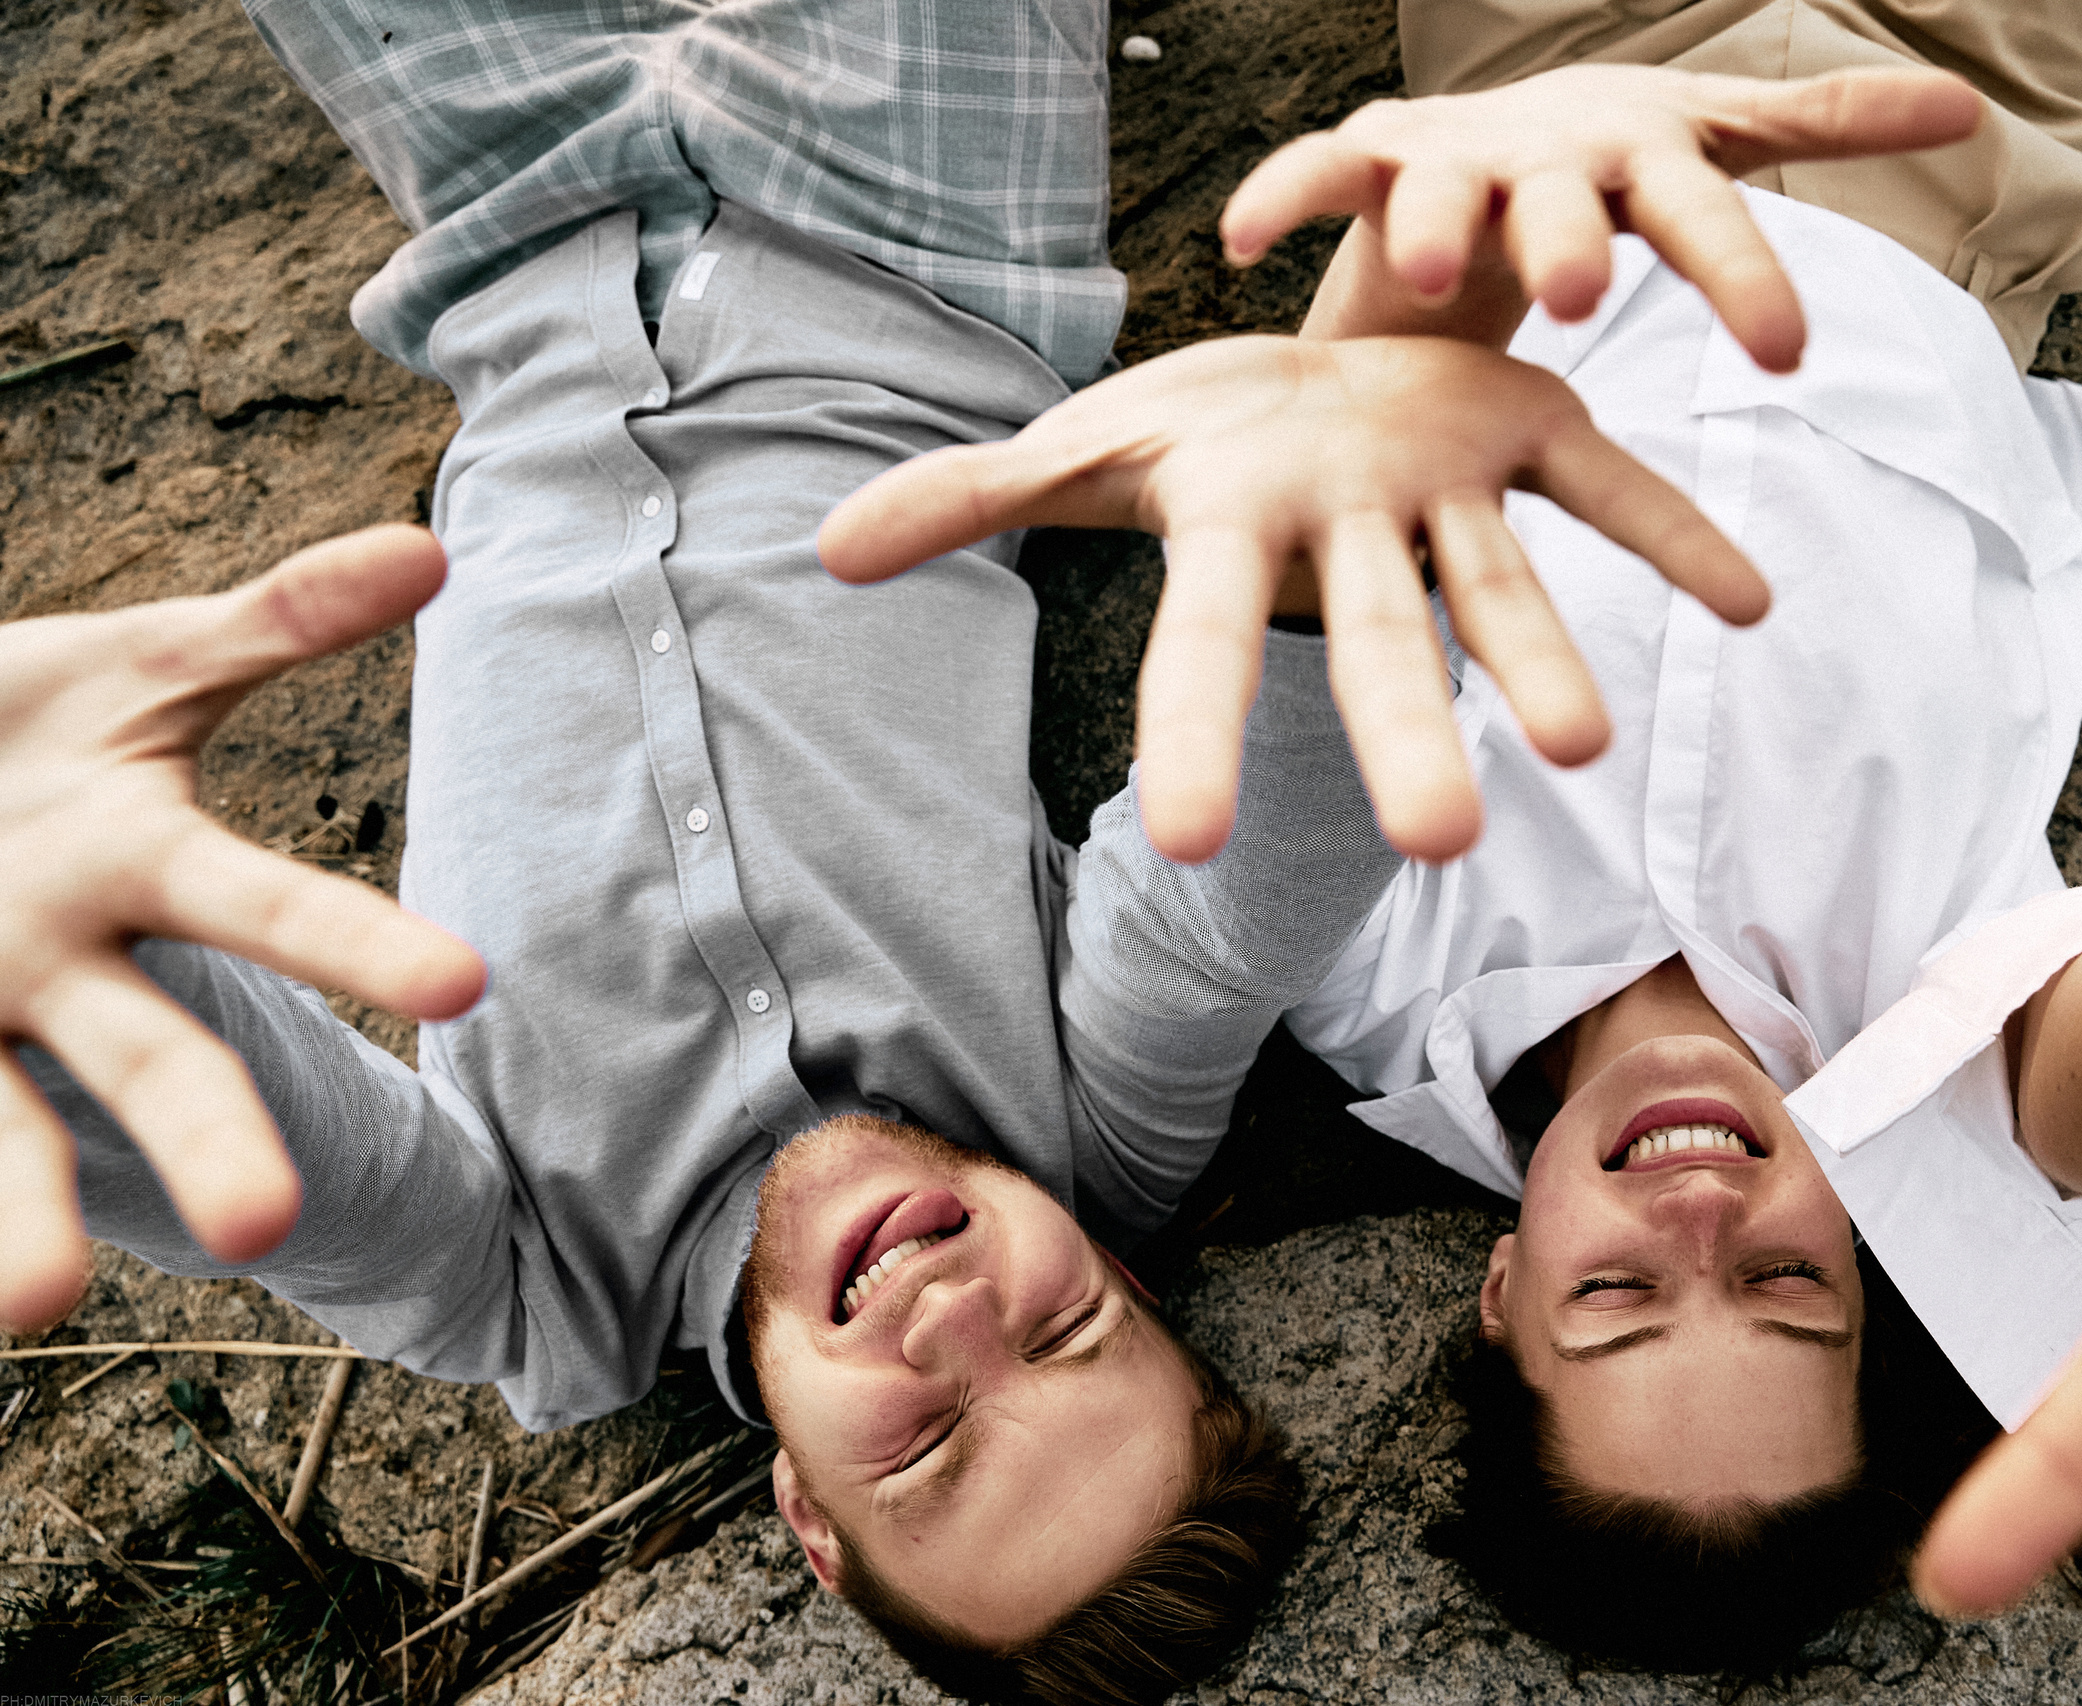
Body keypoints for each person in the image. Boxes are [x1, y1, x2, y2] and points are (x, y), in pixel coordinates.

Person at [0, 3, 1974, 1700]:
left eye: (927, 1444)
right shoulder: (1083, 1132)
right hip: (922, 227)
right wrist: (1326, 527)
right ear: (1124, 1271)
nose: (958, 1316)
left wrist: (37, 939)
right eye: (1068, 1326)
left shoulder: (530, 1294)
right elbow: (1236, 907)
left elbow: (228, 1141)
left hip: (506, 234)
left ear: (808, 1517)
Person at [821, 17, 2082, 1706]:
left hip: (1543, 95)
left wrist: (1477, 216)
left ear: (1502, 1290)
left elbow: (1342, 473)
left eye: (1617, 1294)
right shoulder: (1939, 1051)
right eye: (1788, 1286)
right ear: (1866, 1280)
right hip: (1960, 126)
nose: (1703, 1215)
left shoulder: (1355, 960)